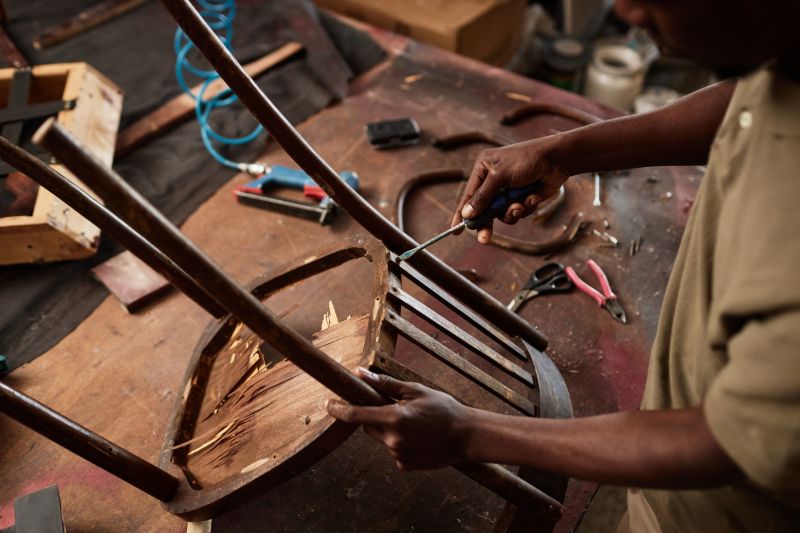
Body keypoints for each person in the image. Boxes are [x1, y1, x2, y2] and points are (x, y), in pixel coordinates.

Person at [328, 1, 800, 530]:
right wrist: (564, 152)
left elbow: (718, 442)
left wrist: (467, 434)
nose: (625, 9)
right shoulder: (782, 54)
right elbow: (752, 102)